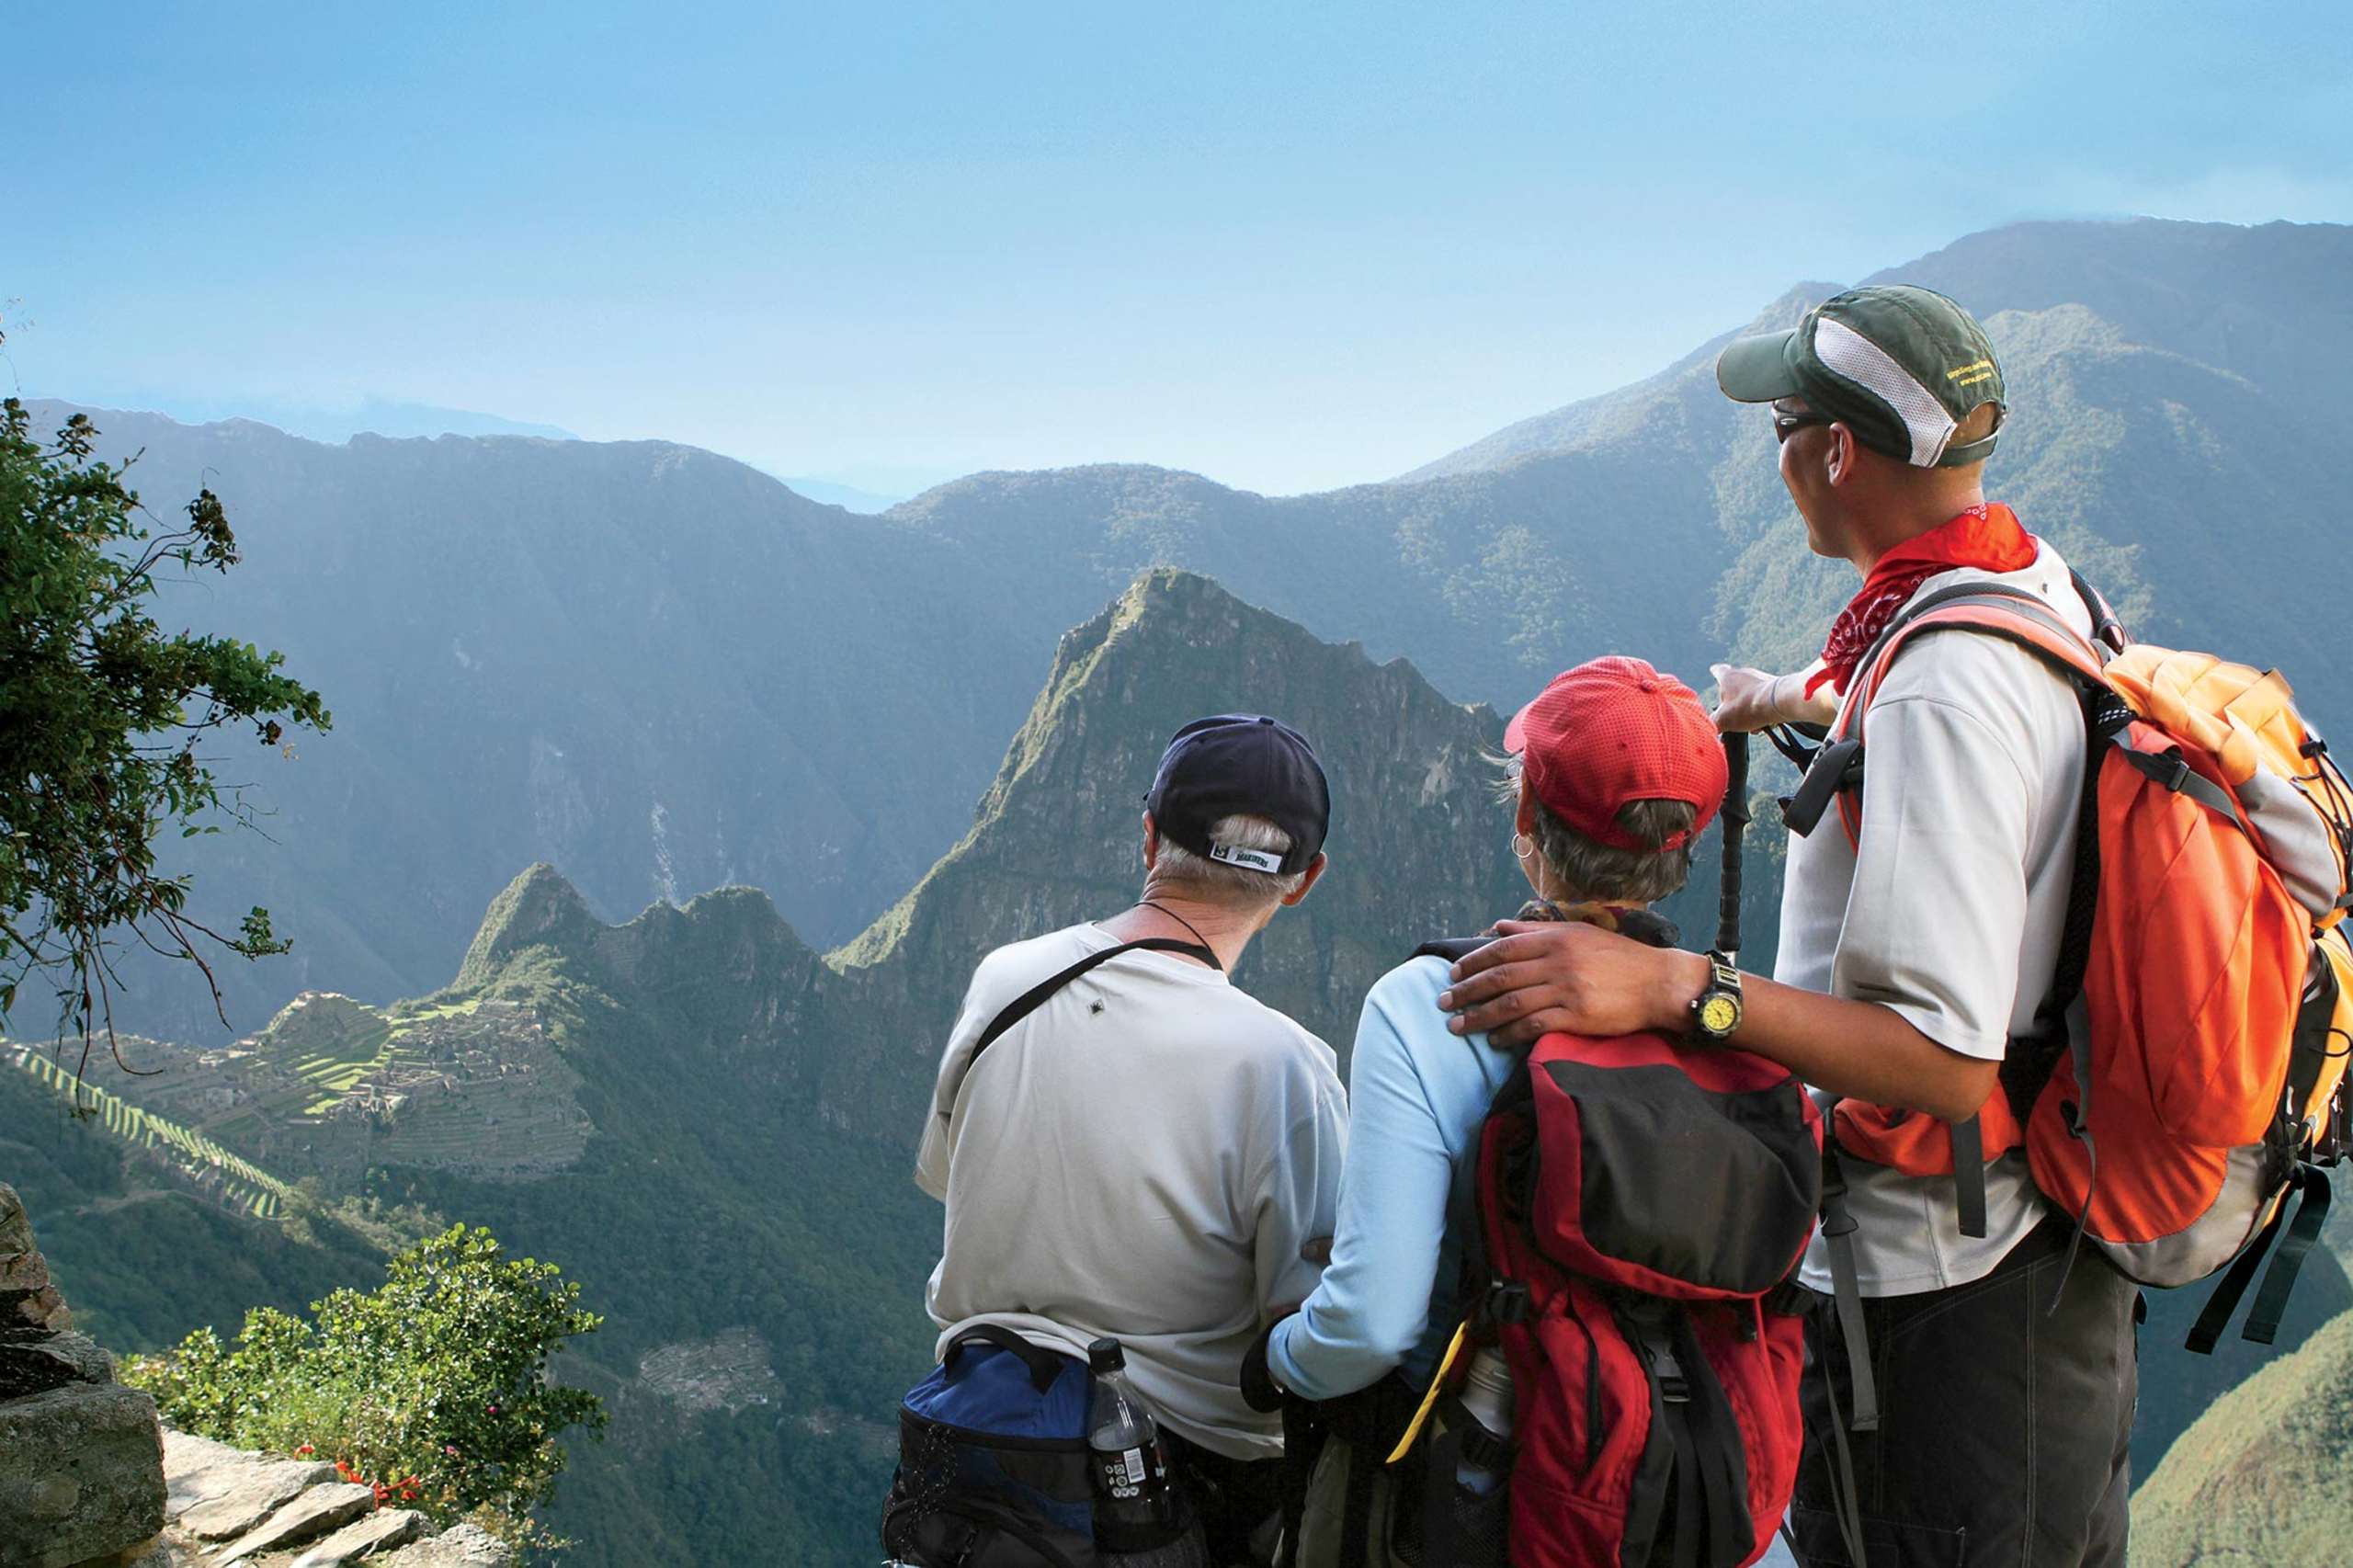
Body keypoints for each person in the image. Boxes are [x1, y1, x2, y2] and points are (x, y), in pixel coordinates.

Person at [1437, 285, 2137, 1566]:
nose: (1771, 455)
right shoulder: (2016, 583)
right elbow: (1967, 745)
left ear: (1832, 452)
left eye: (1779, 423)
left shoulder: (1942, 690)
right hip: (2032, 1269)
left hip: (1949, 1309)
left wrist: (1676, 992)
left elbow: (1942, 1059)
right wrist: (1797, 700)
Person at [1255, 656, 1731, 1565]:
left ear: (1524, 820)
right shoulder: (1728, 1016)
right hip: (1675, 1484)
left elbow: (1371, 1321)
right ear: (1682, 846)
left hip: (1479, 1493)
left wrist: (1277, 1354)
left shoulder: (1435, 1002)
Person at [917, 713, 1349, 1564]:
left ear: (1149, 836)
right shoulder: (1286, 1068)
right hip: (1180, 1494)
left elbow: (946, 1174)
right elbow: (1304, 1319)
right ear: (1304, 880)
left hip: (979, 1453)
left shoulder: (1008, 981)